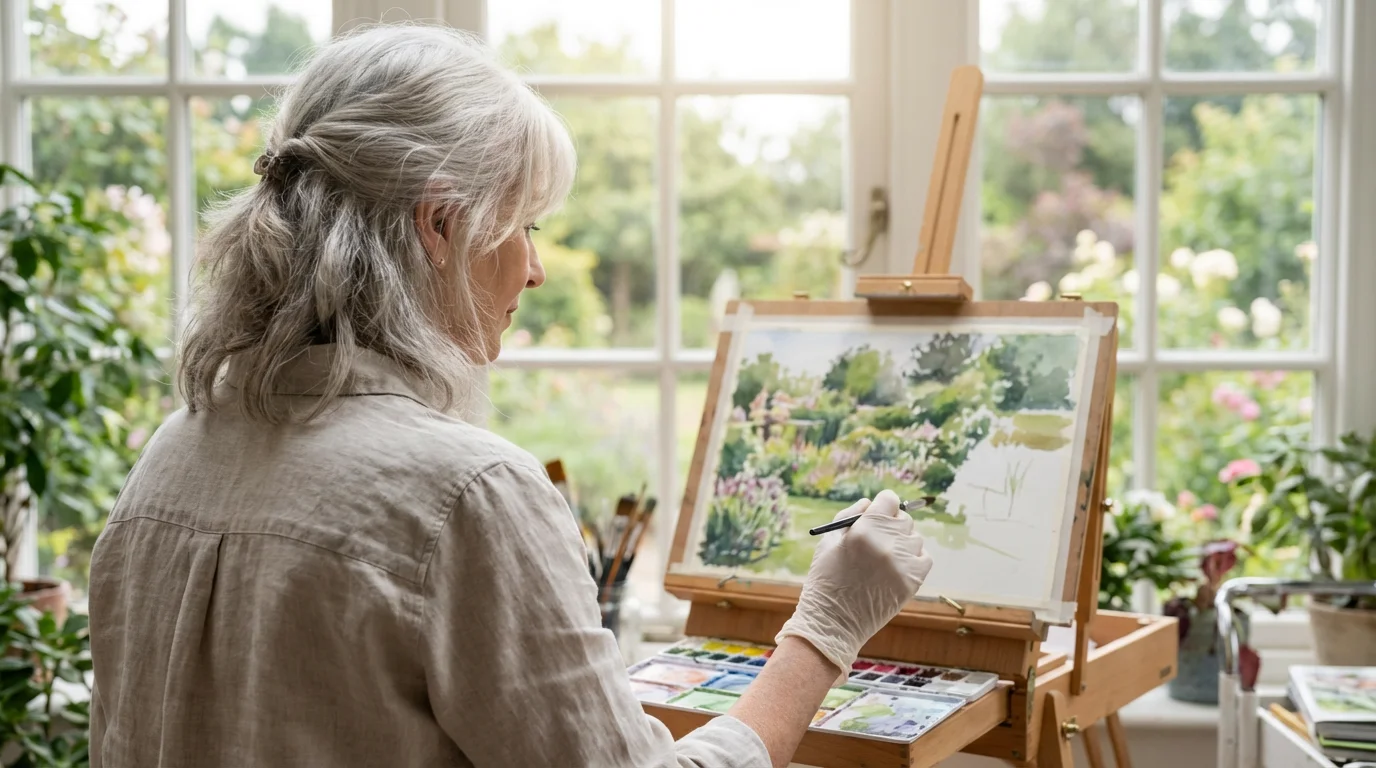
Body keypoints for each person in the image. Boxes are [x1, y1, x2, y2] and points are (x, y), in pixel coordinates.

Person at [87, 24, 934, 768]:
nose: (534, 266)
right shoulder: (464, 496)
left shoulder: (175, 452)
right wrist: (824, 627)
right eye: (526, 223)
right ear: (442, 224)